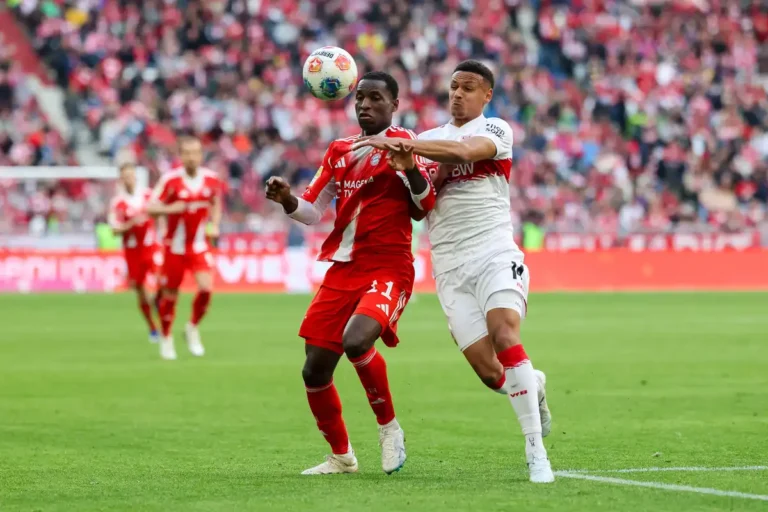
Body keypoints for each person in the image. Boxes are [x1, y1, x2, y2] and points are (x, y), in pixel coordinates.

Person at [354, 60, 555, 483]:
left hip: (495, 251)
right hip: (448, 264)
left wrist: (409, 150)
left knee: (505, 334)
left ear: (486, 96)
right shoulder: (428, 139)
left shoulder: (496, 130)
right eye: (453, 87)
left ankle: (535, 450)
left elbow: (466, 151)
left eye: (468, 88)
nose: (458, 94)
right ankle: (532, 383)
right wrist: (410, 170)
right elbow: (418, 208)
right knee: (490, 374)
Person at [265, 71, 435, 475]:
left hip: (389, 266)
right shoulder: (339, 150)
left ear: (394, 105)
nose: (364, 105)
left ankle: (389, 428)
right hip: (344, 269)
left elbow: (423, 205)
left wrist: (408, 165)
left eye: (375, 98)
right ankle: (342, 457)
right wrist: (288, 199)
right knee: (314, 368)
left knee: (357, 340)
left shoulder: (406, 143)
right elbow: (312, 210)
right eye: (360, 97)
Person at [147, 135, 223, 361]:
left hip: (199, 246)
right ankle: (167, 337)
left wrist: (215, 225)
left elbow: (216, 202)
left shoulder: (211, 179)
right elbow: (151, 208)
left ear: (201, 155)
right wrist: (172, 210)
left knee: (206, 289)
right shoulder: (170, 181)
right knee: (170, 295)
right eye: (187, 153)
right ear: (180, 156)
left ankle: (191, 327)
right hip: (174, 248)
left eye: (196, 152)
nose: (192, 157)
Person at [108, 162, 163, 343]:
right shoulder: (118, 203)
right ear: (121, 179)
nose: (129, 178)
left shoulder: (148, 195)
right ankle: (152, 327)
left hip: (151, 246)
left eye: (131, 175)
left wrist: (162, 232)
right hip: (132, 251)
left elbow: (160, 213)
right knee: (139, 290)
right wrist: (131, 224)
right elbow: (114, 230)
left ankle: (157, 299)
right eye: (125, 176)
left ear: (136, 177)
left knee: (162, 279)